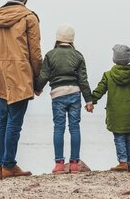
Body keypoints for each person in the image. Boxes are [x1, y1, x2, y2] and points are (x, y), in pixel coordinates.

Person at [0, 0, 42, 180]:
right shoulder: (29, 18)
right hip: (21, 75)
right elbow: (35, 53)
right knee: (14, 123)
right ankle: (9, 165)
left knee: (2, 123)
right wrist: (37, 80)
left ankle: (0, 167)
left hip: (2, 76)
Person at [34, 24, 93, 174]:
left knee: (58, 128)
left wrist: (38, 88)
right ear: (72, 40)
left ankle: (59, 164)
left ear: (58, 38)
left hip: (58, 95)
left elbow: (44, 76)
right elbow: (83, 80)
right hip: (75, 94)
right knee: (74, 128)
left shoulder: (50, 55)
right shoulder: (78, 55)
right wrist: (89, 101)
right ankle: (74, 164)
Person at [91, 44, 130, 172]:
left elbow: (100, 90)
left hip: (115, 112)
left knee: (119, 137)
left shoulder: (108, 75)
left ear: (114, 59)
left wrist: (91, 100)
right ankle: (129, 163)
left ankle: (123, 162)